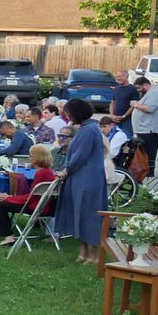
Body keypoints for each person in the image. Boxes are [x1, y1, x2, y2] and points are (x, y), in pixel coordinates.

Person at [53, 98, 110, 266]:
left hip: (87, 178)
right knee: (79, 214)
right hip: (80, 177)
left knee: (89, 216)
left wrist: (66, 170)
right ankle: (83, 252)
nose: (67, 115)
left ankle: (93, 255)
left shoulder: (89, 130)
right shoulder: (85, 128)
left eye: (69, 112)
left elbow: (80, 155)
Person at [0, 144, 58, 245]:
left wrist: (10, 197)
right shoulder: (48, 172)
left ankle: (8, 237)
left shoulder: (41, 173)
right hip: (44, 206)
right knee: (2, 203)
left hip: (36, 207)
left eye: (31, 156)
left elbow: (31, 198)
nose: (29, 158)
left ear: (37, 158)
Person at [127, 75, 158, 176]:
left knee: (149, 153)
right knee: (143, 152)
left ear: (145, 85)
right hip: (144, 129)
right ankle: (144, 171)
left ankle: (149, 173)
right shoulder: (148, 94)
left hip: (150, 130)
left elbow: (149, 108)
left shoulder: (154, 93)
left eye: (139, 88)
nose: (138, 90)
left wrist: (135, 105)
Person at [109, 71, 138, 137]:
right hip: (115, 120)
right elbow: (112, 103)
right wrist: (112, 115)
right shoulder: (116, 88)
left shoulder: (133, 89)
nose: (118, 78)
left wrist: (124, 116)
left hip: (127, 120)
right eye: (117, 77)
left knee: (127, 138)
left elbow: (133, 106)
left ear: (126, 77)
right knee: (115, 138)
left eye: (120, 76)